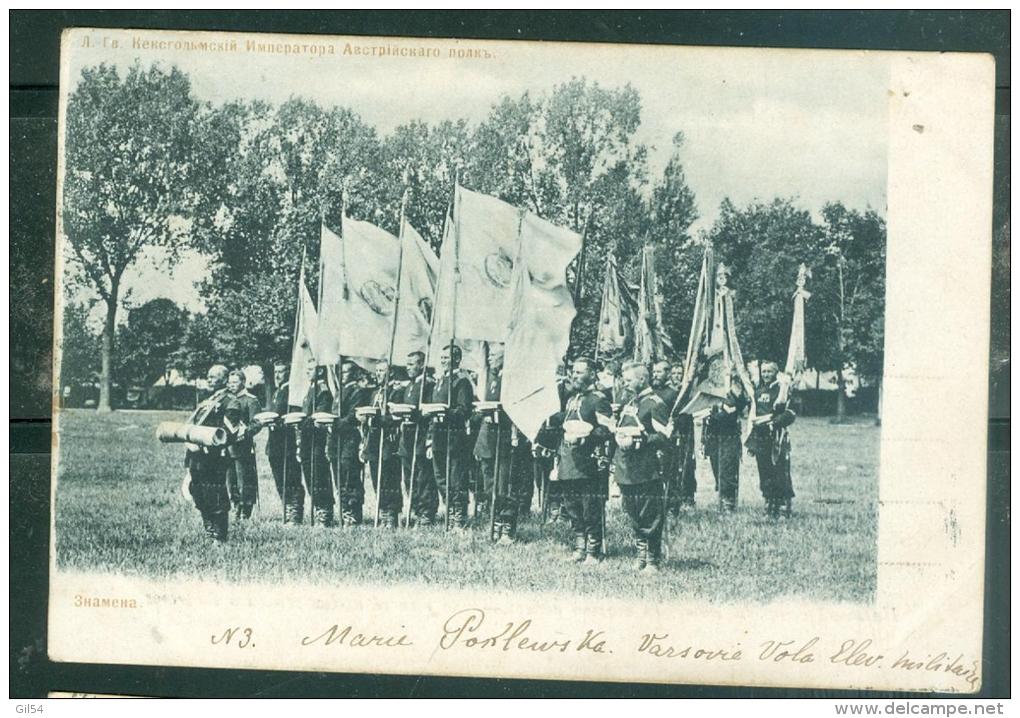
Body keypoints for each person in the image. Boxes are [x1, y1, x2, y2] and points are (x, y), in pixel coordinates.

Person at [614, 363, 671, 572]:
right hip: (627, 469)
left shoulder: (655, 404)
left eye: (628, 380)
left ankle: (653, 559)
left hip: (647, 469)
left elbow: (665, 436)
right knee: (633, 514)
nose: (625, 383)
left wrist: (642, 439)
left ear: (642, 379)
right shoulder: (629, 403)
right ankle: (640, 555)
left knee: (650, 515)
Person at [555, 358, 613, 564]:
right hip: (569, 460)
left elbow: (606, 430)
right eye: (573, 371)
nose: (574, 375)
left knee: (590, 507)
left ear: (591, 374)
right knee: (572, 506)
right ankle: (579, 547)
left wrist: (585, 437)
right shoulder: (572, 398)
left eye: (580, 372)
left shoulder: (599, 399)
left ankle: (593, 551)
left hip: (589, 461)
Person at [473, 345, 532, 544]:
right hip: (489, 439)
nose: (490, 358)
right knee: (490, 485)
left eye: (494, 355)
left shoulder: (513, 381)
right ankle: (496, 521)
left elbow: (519, 410)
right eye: (489, 355)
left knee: (506, 484)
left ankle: (508, 526)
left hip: (506, 439)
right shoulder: (492, 378)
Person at [427, 344, 476, 531]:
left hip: (455, 438)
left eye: (446, 358)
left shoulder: (461, 382)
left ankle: (459, 516)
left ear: (456, 359)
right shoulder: (440, 382)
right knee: (441, 478)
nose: (443, 361)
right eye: (441, 358)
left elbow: (464, 410)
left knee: (456, 479)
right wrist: (430, 438)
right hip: (439, 437)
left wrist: (446, 413)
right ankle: (450, 510)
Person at [184, 365, 233, 542]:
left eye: (214, 377)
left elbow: (229, 431)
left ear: (225, 380)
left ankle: (219, 534)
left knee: (215, 493)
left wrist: (210, 444)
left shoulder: (229, 401)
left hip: (214, 456)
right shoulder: (207, 399)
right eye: (209, 377)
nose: (210, 380)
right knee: (198, 490)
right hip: (197, 455)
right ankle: (209, 528)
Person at [395, 351, 439, 527]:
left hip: (421, 435)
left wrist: (429, 437)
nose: (408, 367)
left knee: (424, 477)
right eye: (407, 363)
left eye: (412, 364)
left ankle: (427, 512)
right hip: (407, 437)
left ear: (421, 365)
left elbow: (429, 412)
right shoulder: (409, 386)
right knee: (409, 477)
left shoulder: (427, 385)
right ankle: (415, 509)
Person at [748, 361, 797, 518]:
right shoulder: (758, 391)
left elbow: (790, 414)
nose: (766, 375)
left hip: (777, 437)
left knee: (780, 471)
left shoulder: (783, 390)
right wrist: (752, 442)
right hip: (761, 438)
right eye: (764, 372)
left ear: (776, 372)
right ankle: (769, 502)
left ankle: (783, 504)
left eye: (769, 371)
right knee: (765, 471)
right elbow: (754, 415)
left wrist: (773, 423)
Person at [361, 362, 404, 528]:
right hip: (374, 440)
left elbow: (395, 417)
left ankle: (392, 513)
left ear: (390, 373)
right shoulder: (375, 392)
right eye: (377, 371)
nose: (379, 374)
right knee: (376, 477)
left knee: (389, 478)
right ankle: (383, 511)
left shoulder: (396, 392)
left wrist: (377, 418)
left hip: (389, 440)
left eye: (383, 371)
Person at [329, 361, 372, 527]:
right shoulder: (339, 391)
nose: (342, 375)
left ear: (353, 374)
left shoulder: (357, 391)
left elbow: (353, 416)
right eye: (340, 372)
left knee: (349, 475)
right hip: (335, 438)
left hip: (350, 438)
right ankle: (344, 509)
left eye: (346, 372)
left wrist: (334, 424)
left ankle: (353, 512)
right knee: (338, 474)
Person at [703, 370, 749, 512]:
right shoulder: (710, 389)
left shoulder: (736, 391)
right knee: (716, 466)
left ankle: (728, 501)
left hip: (729, 435)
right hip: (713, 434)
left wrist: (735, 392)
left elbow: (737, 410)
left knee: (728, 468)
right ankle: (722, 496)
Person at [266, 361, 304, 523]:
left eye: (281, 371)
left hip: (287, 442)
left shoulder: (292, 391)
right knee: (279, 479)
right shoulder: (277, 391)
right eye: (276, 371)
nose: (277, 375)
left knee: (291, 478)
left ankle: (294, 513)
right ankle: (286, 508)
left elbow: (295, 416)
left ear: (289, 373)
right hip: (274, 443)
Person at [300, 365, 336, 527]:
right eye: (306, 369)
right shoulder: (311, 389)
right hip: (307, 439)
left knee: (319, 474)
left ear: (320, 371)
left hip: (318, 439)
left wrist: (302, 422)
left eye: (310, 369)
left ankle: (325, 511)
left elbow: (320, 415)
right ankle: (317, 507)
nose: (307, 371)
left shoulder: (323, 390)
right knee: (309, 473)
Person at [224, 369, 262, 520]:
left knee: (244, 480)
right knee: (230, 480)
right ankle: (235, 507)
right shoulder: (226, 400)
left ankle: (245, 511)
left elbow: (257, 423)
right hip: (228, 447)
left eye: (235, 382)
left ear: (243, 382)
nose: (231, 385)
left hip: (243, 447)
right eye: (230, 382)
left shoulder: (250, 400)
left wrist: (244, 433)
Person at [650, 361, 680, 514]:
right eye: (654, 371)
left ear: (668, 374)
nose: (655, 375)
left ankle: (672, 506)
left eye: (659, 372)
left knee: (668, 473)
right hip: (651, 439)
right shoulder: (650, 392)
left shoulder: (673, 393)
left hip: (667, 440)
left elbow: (678, 417)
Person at [668, 363, 697, 510]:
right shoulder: (668, 391)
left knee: (688, 463)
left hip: (686, 430)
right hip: (672, 431)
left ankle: (688, 496)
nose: (677, 376)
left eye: (680, 373)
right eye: (674, 373)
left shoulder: (687, 392)